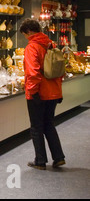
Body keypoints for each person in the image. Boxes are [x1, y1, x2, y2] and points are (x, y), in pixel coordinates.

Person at [19, 18, 66, 170]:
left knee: (36, 127)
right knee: (49, 124)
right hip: (53, 92)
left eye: (25, 34)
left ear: (29, 32)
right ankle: (58, 157)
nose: (26, 37)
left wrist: (32, 92)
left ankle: (40, 161)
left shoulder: (32, 47)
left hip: (39, 93)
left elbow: (32, 73)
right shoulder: (50, 44)